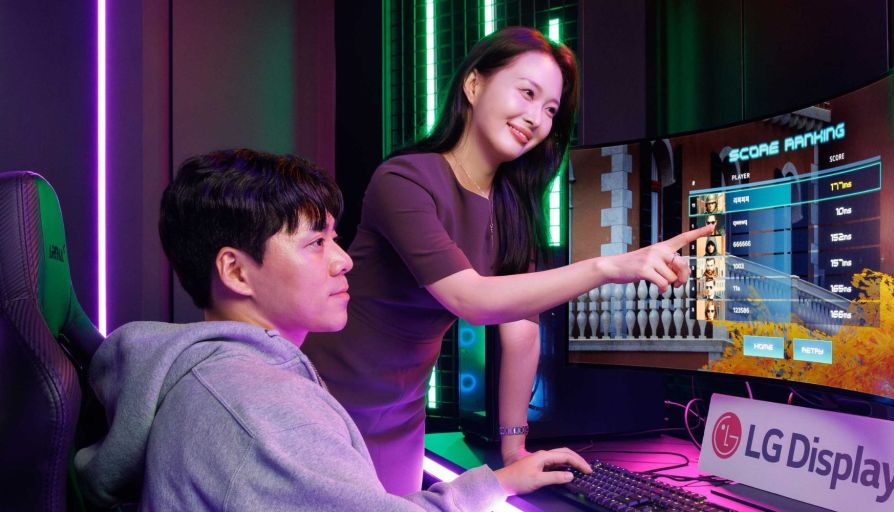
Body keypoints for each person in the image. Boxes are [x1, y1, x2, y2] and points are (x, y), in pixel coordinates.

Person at [302, 26, 714, 494]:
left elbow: (520, 330)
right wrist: (608, 267)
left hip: (402, 413)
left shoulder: (511, 206)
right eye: (527, 93)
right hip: (326, 401)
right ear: (473, 84)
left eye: (551, 109)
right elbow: (471, 300)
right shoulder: (404, 179)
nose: (536, 118)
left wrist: (515, 449)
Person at [73, 149, 592, 511]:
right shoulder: (260, 409)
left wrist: (496, 483)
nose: (344, 261)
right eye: (315, 243)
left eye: (336, 239)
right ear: (235, 271)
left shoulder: (230, 378)